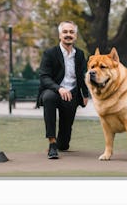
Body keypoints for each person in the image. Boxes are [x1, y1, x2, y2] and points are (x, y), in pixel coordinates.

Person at [37, 21, 89, 159]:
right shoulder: (50, 53)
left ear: (75, 36)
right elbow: (44, 77)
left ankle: (59, 143)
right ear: (60, 35)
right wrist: (59, 88)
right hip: (53, 91)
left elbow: (83, 75)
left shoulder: (79, 55)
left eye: (71, 32)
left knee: (64, 144)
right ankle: (52, 144)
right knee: (48, 98)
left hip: (71, 95)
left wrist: (85, 94)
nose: (68, 35)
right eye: (65, 32)